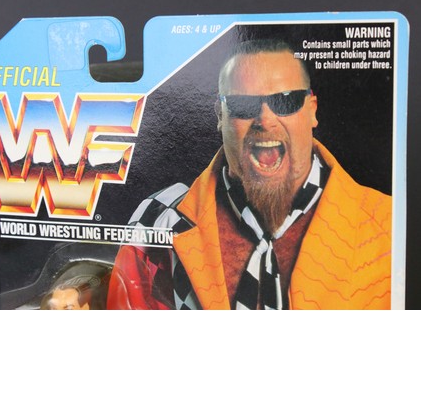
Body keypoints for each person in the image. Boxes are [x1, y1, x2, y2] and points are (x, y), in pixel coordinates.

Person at [107, 39, 392, 310]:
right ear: (220, 116)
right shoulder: (156, 221)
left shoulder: (388, 224)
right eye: (243, 104)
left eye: (285, 101)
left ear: (312, 111)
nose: (265, 120)